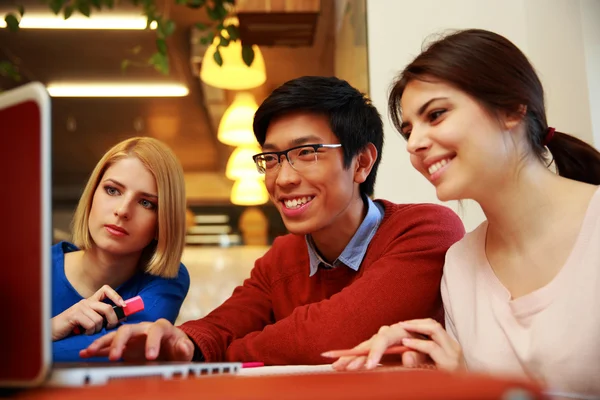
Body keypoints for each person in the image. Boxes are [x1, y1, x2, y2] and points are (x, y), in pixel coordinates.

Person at [79, 76, 465, 366]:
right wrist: (184, 340)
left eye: (307, 152)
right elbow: (224, 323)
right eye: (272, 158)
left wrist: (225, 353)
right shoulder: (282, 258)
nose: (282, 178)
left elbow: (330, 334)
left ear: (362, 162)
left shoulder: (427, 230)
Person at [330, 29, 600, 395]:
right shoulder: (459, 263)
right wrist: (452, 377)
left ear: (512, 108)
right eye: (408, 130)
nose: (415, 144)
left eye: (436, 115)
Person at [52, 137, 190, 362]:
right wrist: (49, 329)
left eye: (146, 203)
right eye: (112, 190)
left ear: (163, 222)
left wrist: (25, 344)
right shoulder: (32, 270)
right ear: (91, 196)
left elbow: (125, 351)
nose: (122, 210)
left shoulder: (167, 278)